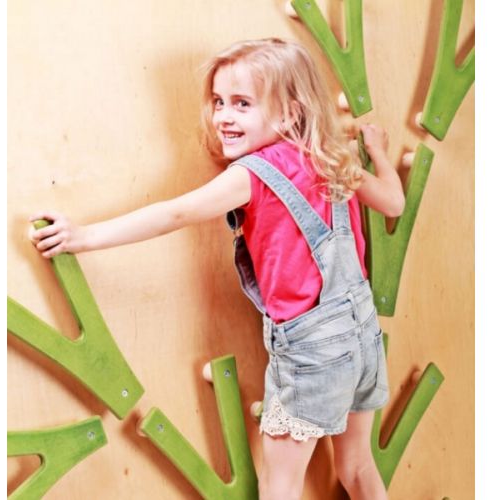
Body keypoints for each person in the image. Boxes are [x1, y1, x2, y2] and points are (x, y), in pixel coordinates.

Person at [30, 38, 404, 500]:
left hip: (312, 353)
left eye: (242, 104)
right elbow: (394, 202)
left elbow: (175, 213)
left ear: (289, 113)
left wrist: (84, 236)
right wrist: (378, 152)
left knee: (280, 484)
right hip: (361, 337)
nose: (223, 116)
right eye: (218, 101)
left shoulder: (251, 174)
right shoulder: (329, 157)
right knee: (358, 466)